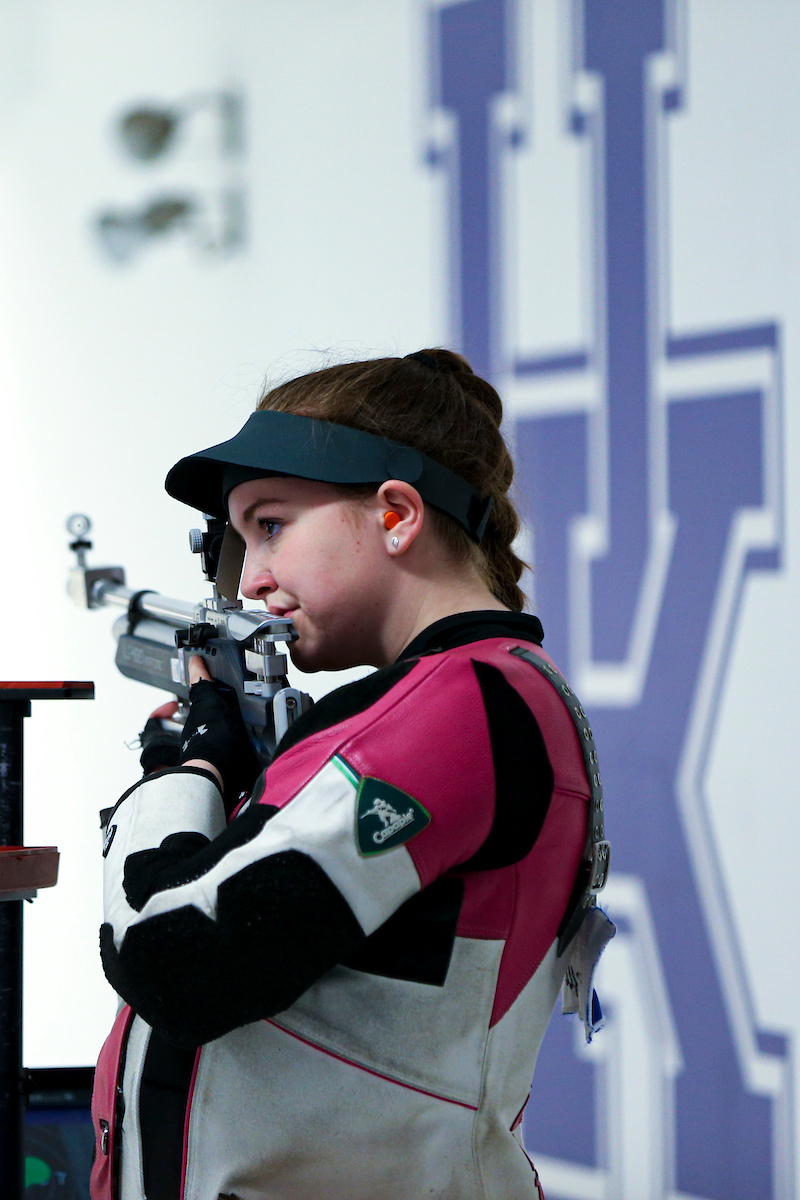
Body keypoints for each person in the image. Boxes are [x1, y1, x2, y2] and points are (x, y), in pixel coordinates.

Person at [90, 349, 613, 1200]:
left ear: (398, 514)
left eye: (271, 525)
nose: (250, 577)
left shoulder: (459, 705)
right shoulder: (473, 694)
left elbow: (171, 957)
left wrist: (181, 768)